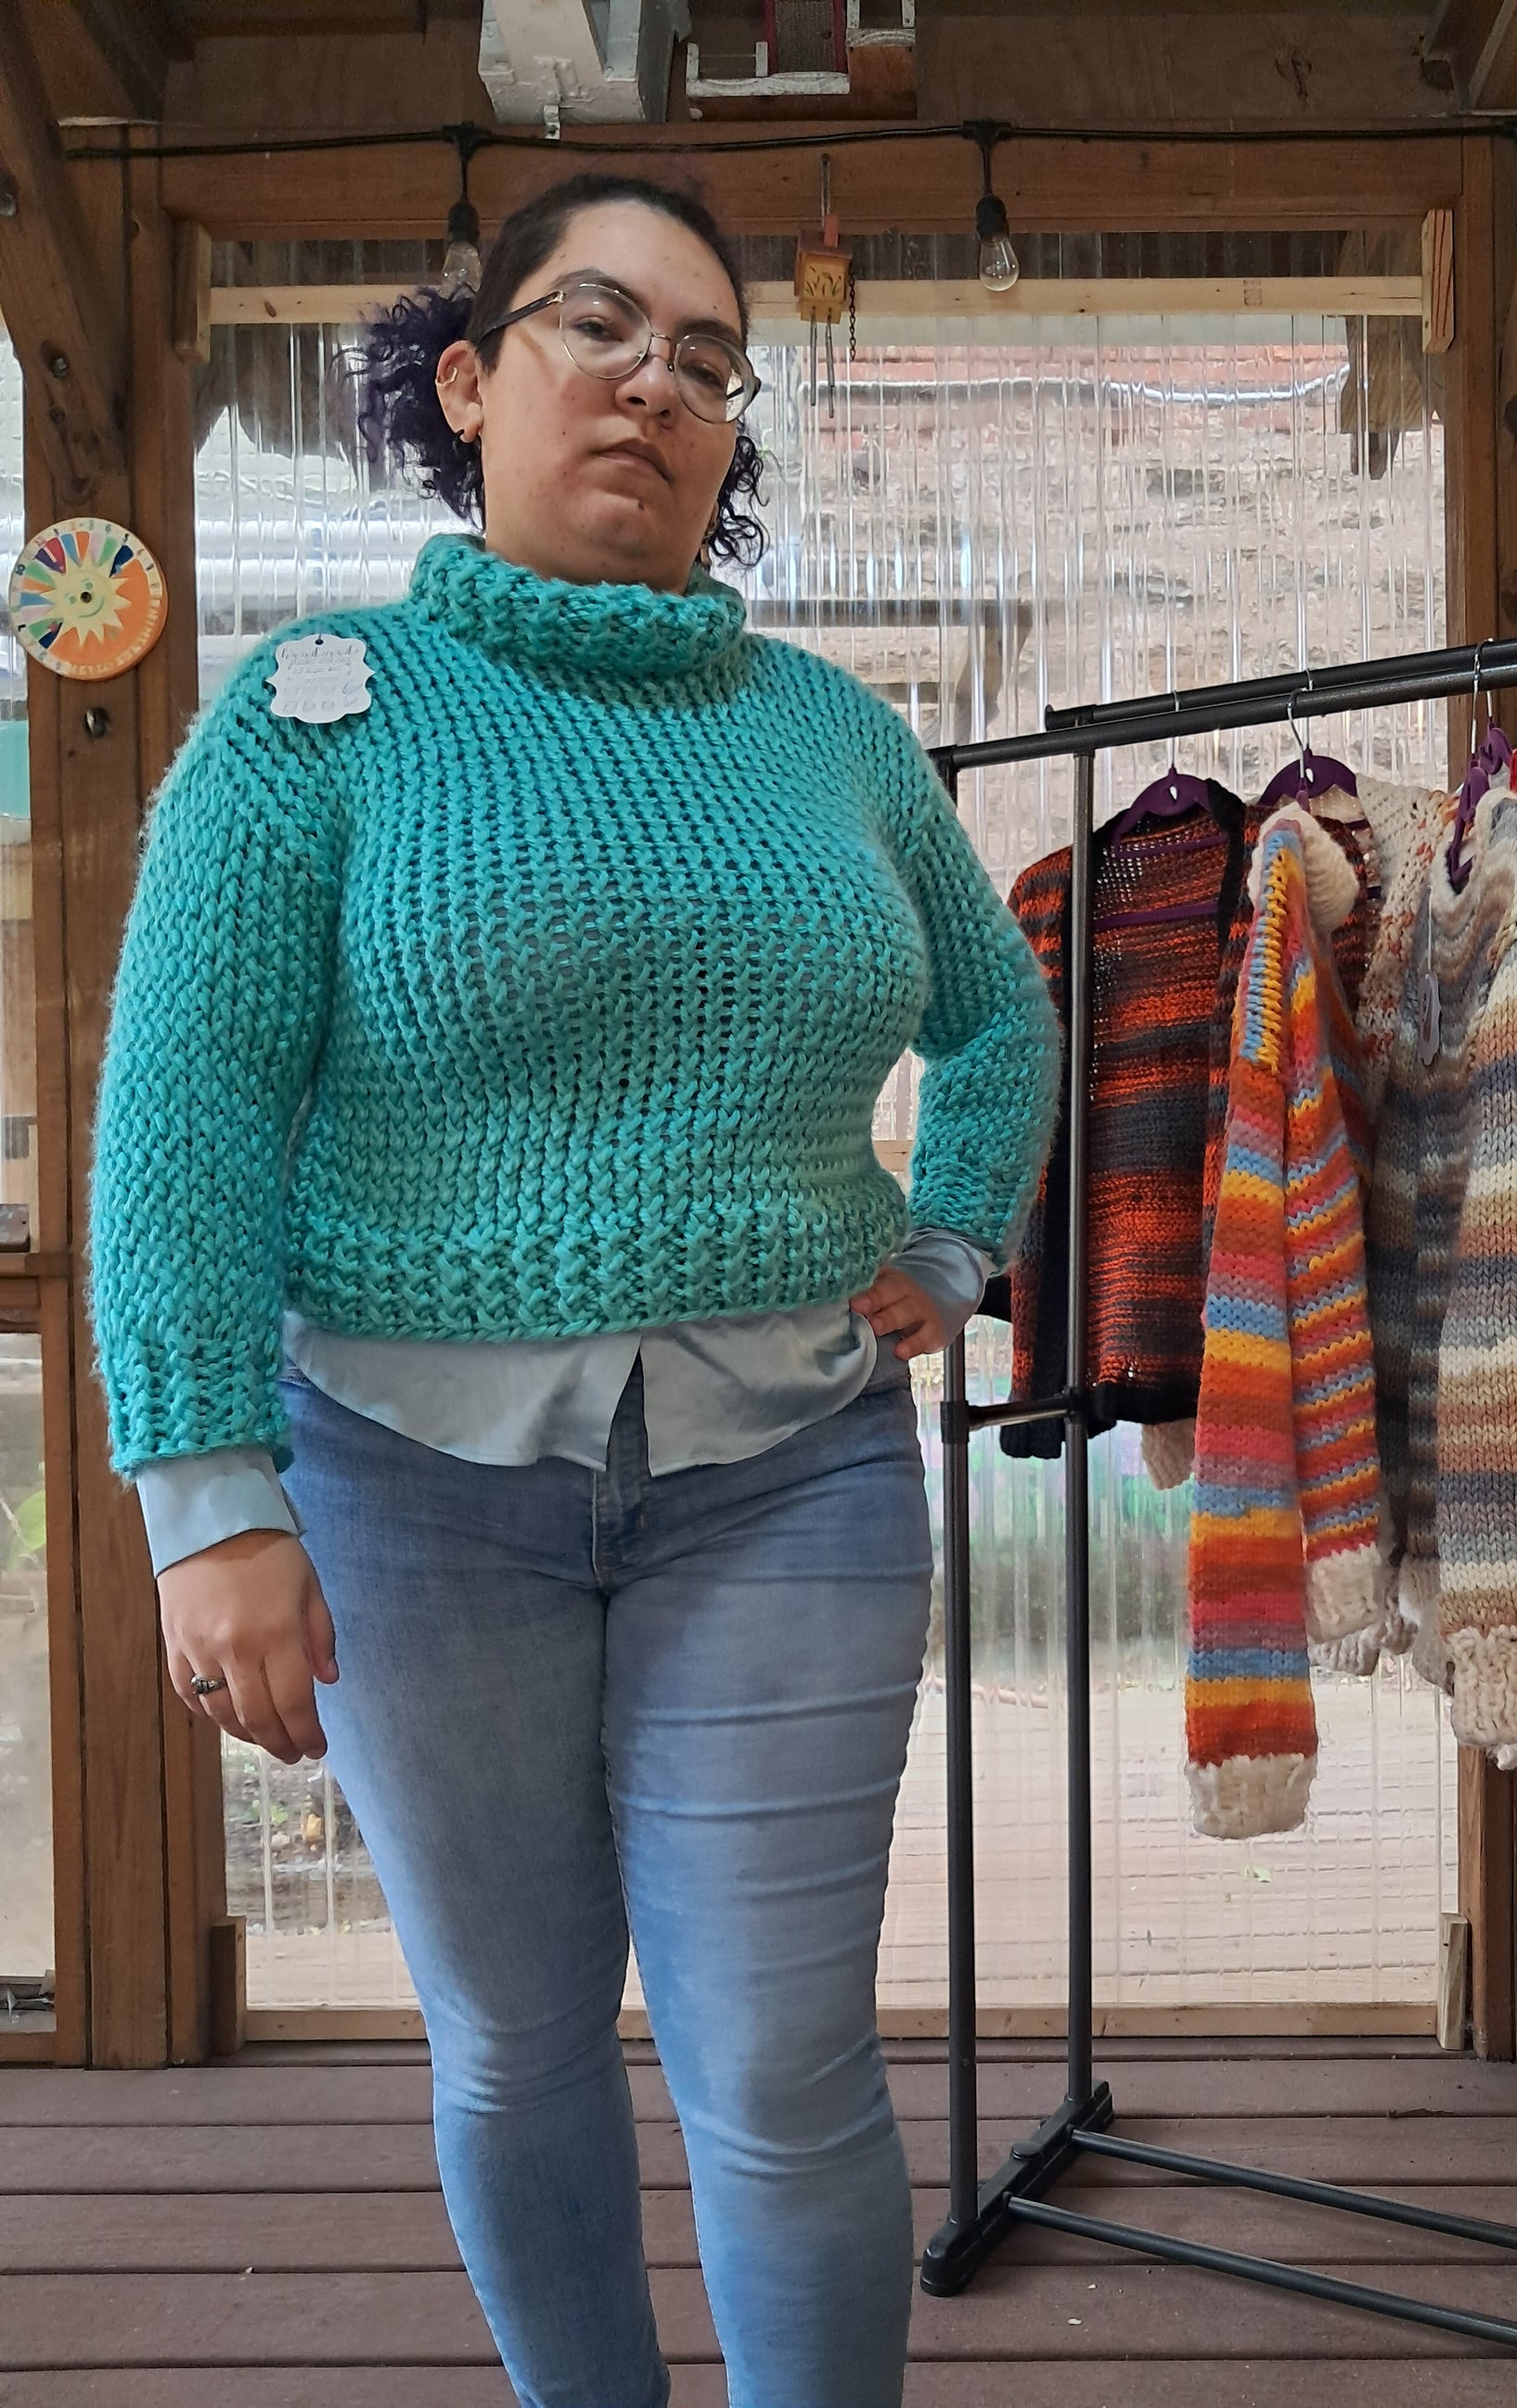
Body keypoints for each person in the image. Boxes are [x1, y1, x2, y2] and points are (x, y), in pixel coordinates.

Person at [88, 172, 1061, 2408]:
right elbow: (186, 1112)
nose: (654, 382)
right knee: (519, 2037)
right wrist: (202, 1494)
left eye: (707, 359)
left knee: (785, 2056)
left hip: (791, 1477)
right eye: (596, 326)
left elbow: (997, 1010)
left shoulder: (831, 734)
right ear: (467, 376)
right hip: (404, 1495)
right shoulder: (312, 720)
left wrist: (950, 1236)